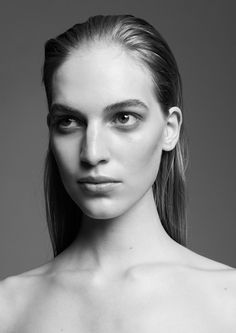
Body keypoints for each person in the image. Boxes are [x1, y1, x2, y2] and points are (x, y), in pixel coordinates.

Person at [0, 14, 235, 332]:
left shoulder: (228, 303)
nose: (92, 153)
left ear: (169, 129)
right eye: (69, 121)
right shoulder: (9, 307)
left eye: (124, 117)